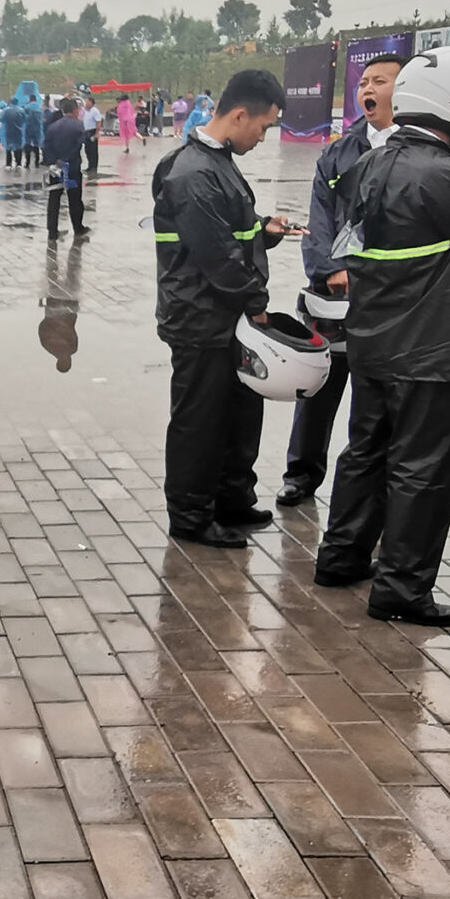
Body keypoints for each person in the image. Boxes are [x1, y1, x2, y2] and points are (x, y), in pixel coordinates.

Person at [313, 48, 450, 626]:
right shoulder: (443, 172)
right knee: (422, 469)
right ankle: (403, 590)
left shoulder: (373, 162)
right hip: (431, 346)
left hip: (377, 338)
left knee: (367, 452)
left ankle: (342, 556)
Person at [155, 70, 291, 547]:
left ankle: (232, 499)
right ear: (239, 114)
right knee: (200, 422)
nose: (263, 136)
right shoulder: (193, 172)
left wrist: (264, 229)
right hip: (199, 320)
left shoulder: (217, 163)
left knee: (238, 413)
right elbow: (216, 255)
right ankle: (191, 516)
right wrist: (257, 303)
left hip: (223, 318)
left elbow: (232, 229)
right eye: (264, 126)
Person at [277, 54, 401, 507]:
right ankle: (301, 474)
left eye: (380, 81)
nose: (367, 88)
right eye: (364, 81)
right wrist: (330, 270)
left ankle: (369, 485)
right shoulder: (338, 151)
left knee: (376, 400)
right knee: (319, 385)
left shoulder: (418, 153)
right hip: (334, 295)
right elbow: (319, 218)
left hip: (389, 299)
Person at [43, 95, 89, 241]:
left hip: (55, 170)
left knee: (54, 199)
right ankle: (78, 228)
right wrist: (65, 160)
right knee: (74, 198)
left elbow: (46, 147)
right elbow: (79, 145)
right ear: (75, 110)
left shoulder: (52, 127)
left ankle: (52, 231)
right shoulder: (78, 126)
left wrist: (54, 162)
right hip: (72, 169)